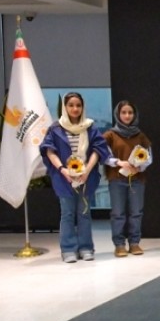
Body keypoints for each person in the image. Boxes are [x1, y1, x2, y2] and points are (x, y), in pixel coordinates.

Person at [40, 92, 110, 263]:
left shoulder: (90, 127)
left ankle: (86, 248)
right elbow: (49, 150)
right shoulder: (55, 128)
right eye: (71, 105)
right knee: (67, 214)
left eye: (78, 105)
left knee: (84, 213)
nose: (75, 108)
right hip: (64, 179)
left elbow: (98, 150)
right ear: (65, 107)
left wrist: (87, 171)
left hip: (86, 178)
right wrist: (62, 170)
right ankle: (68, 249)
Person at [102, 100, 152, 257]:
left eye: (130, 112)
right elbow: (103, 155)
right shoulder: (110, 135)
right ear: (118, 114)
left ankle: (134, 243)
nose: (127, 115)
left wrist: (140, 166)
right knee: (118, 213)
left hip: (137, 179)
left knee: (136, 212)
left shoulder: (140, 135)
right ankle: (119, 244)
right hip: (117, 179)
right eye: (124, 112)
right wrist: (118, 162)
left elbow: (149, 156)